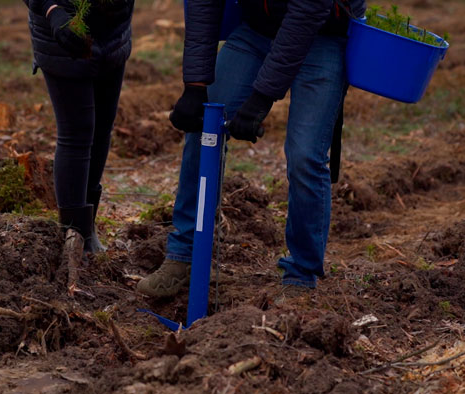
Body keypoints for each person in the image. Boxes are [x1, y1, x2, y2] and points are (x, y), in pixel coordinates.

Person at [137, 0, 366, 296]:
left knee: (305, 156)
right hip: (257, 30)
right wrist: (195, 84)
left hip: (322, 33)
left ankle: (301, 275)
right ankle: (185, 256)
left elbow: (308, 10)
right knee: (203, 127)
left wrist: (261, 98)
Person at [23, 0, 134, 250]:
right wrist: (52, 10)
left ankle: (88, 226)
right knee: (77, 132)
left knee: (102, 128)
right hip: (63, 30)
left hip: (114, 32)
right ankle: (75, 235)